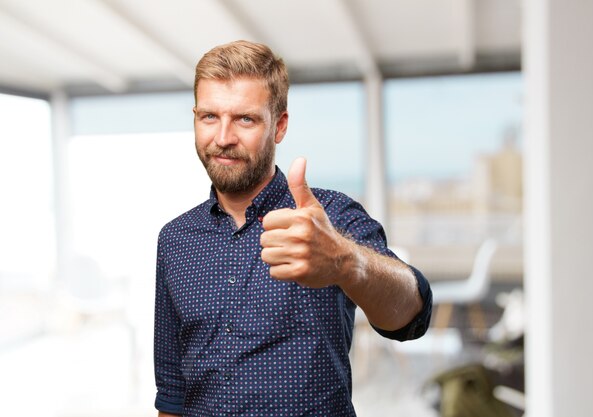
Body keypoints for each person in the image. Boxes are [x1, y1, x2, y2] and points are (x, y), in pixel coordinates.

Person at [154, 40, 433, 417]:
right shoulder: (175, 240)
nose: (222, 138)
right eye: (209, 117)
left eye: (245, 119)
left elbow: (412, 315)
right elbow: (172, 390)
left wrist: (345, 261)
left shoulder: (329, 218)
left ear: (279, 125)